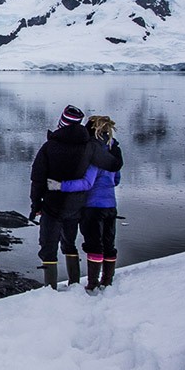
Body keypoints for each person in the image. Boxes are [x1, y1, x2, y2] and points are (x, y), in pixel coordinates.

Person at [29, 104, 122, 290]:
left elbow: (38, 179)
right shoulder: (89, 147)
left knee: (48, 247)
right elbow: (113, 166)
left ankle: (50, 289)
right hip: (76, 206)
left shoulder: (49, 147)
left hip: (52, 204)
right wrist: (115, 148)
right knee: (70, 244)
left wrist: (35, 204)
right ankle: (75, 284)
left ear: (61, 123)